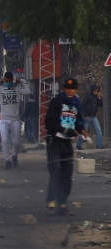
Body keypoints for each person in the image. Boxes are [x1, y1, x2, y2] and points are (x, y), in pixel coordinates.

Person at [44, 78, 90, 215]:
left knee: (67, 173)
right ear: (64, 89)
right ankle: (51, 202)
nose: (70, 91)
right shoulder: (57, 102)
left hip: (67, 143)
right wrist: (64, 130)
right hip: (55, 141)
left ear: (76, 90)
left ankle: (62, 202)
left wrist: (82, 131)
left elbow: (78, 122)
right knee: (55, 170)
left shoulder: (76, 103)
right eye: (68, 88)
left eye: (73, 89)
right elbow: (49, 123)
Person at [0, 71, 32, 168]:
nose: (8, 82)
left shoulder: (17, 89)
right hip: (4, 119)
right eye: (6, 80)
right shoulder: (0, 89)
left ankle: (14, 155)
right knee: (5, 140)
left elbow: (28, 91)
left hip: (15, 119)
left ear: (12, 80)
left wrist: (22, 81)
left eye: (9, 80)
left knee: (16, 142)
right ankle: (7, 160)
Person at [76, 84, 103, 150]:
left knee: (99, 131)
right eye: (95, 91)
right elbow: (83, 106)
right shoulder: (87, 96)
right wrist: (85, 115)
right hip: (87, 117)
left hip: (94, 117)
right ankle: (79, 145)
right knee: (84, 131)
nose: (96, 92)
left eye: (97, 91)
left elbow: (101, 105)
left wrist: (99, 98)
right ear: (93, 90)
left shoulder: (97, 97)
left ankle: (99, 146)